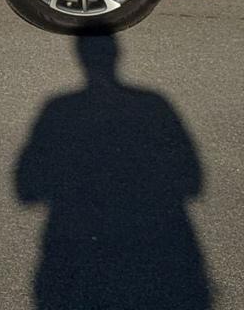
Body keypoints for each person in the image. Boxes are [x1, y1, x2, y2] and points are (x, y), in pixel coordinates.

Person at [15, 35, 213, 310]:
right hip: (157, 241)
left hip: (74, 240)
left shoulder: (59, 107)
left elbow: (26, 187)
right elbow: (192, 181)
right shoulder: (154, 104)